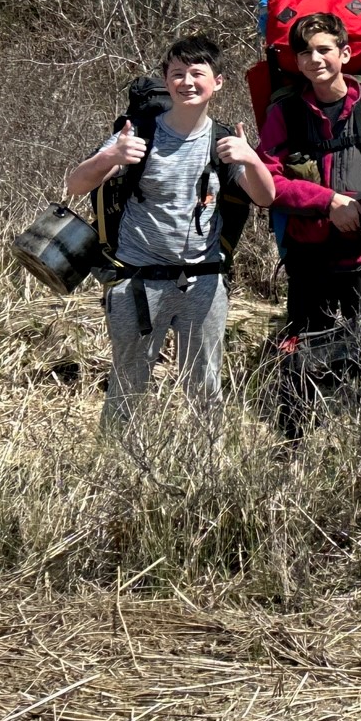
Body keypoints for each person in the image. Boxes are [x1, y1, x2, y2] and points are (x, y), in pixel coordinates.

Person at [64, 35, 275, 427]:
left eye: (198, 73)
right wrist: (111, 156)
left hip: (204, 281)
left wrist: (252, 159)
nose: (188, 82)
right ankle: (117, 471)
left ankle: (205, 471)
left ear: (219, 82)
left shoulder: (224, 141)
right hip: (136, 280)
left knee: (205, 385)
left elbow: (265, 197)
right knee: (128, 384)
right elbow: (76, 184)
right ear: (166, 79)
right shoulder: (137, 134)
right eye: (178, 74)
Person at [259, 11, 361, 434]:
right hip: (310, 256)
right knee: (302, 353)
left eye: (324, 49)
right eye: (305, 52)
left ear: (345, 53)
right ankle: (297, 443)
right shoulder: (285, 112)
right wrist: (328, 201)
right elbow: (269, 182)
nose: (315, 59)